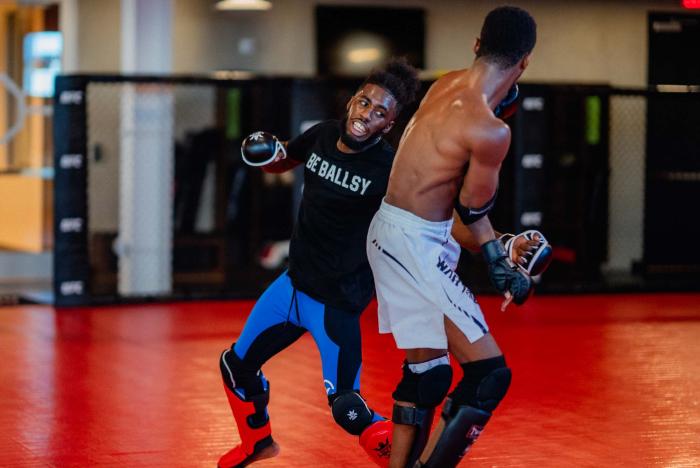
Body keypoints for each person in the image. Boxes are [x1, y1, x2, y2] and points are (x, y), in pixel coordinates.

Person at [216, 58, 422, 468]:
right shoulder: (323, 135)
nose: (367, 115)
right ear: (351, 102)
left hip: (336, 301)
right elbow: (285, 158)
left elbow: (426, 212)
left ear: (389, 125)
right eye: (364, 103)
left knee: (347, 407)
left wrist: (489, 241)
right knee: (236, 367)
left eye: (380, 112)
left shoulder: (388, 170)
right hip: (291, 287)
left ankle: (407, 461)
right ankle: (258, 443)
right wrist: (268, 153)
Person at [366, 6, 544, 468]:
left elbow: (449, 206)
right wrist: (502, 266)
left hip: (394, 230)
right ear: (525, 60)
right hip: (413, 244)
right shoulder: (491, 130)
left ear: (476, 44)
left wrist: (501, 248)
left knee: (428, 373)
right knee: (489, 375)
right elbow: (472, 210)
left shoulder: (443, 84)